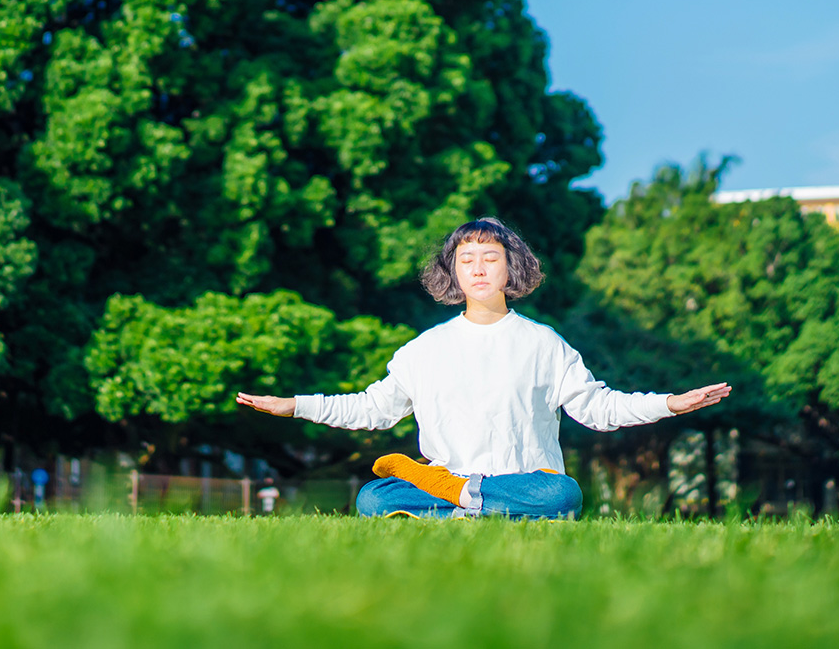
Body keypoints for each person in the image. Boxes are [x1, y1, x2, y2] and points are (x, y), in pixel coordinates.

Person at [237, 217, 731, 519]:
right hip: (458, 481)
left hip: (524, 483)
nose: (477, 268)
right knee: (372, 498)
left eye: (489, 258)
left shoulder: (543, 344)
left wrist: (669, 404)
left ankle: (456, 501)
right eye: (466, 259)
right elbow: (373, 409)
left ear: (509, 269)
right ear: (452, 271)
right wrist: (295, 405)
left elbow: (599, 408)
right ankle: (469, 504)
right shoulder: (423, 349)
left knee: (561, 494)